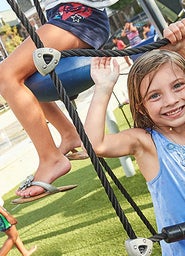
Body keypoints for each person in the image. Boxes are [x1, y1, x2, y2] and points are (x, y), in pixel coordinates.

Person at [85, 18, 185, 255]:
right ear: (141, 107)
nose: (171, 101)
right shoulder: (148, 142)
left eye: (178, 86)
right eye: (155, 96)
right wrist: (103, 88)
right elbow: (96, 144)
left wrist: (183, 48)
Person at [0, 0, 119, 201]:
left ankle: (51, 159)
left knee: (6, 75)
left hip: (79, 17)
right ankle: (69, 134)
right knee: (24, 79)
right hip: (63, 16)